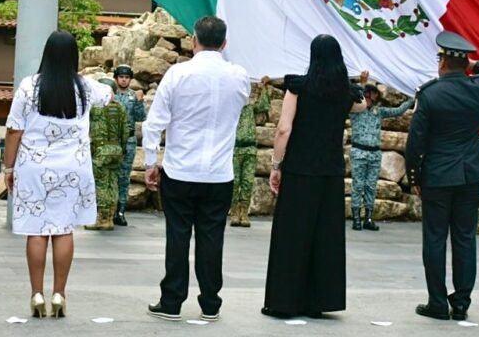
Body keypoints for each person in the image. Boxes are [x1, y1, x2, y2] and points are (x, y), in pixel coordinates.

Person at [142, 16, 250, 322]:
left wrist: (151, 162)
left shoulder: (178, 74)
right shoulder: (238, 76)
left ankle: (172, 301)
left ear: (193, 40)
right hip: (219, 173)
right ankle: (211, 302)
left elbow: (155, 123)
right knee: (212, 237)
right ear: (225, 44)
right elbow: (241, 102)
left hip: (180, 170)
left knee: (177, 236)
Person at [3, 31, 113, 318]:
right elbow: (109, 95)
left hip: (33, 167)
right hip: (72, 168)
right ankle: (59, 294)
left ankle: (37, 294)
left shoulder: (29, 86)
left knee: (37, 230)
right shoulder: (84, 87)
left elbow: (14, 129)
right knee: (63, 229)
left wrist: (9, 167)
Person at [405, 31, 479, 322]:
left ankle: (437, 303)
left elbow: (416, 141)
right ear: (464, 64)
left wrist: (414, 176)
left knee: (435, 239)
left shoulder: (430, 94)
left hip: (437, 176)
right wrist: (478, 67)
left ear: (441, 63)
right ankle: (461, 303)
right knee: (465, 239)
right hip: (470, 174)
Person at [262, 35, 366, 319]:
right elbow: (363, 105)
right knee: (325, 237)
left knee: (292, 236)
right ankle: (318, 302)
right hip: (330, 172)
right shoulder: (345, 93)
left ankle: (284, 302)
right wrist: (356, 83)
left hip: (299, 170)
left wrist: (276, 165)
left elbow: (284, 129)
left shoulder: (297, 87)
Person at [349, 72, 413, 231]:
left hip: (374, 153)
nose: (374, 98)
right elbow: (353, 97)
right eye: (371, 95)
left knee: (371, 186)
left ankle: (368, 218)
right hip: (359, 151)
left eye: (375, 96)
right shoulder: (355, 110)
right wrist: (362, 85)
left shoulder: (379, 112)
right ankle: (356, 217)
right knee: (358, 186)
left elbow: (398, 111)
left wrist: (413, 98)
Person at [84, 78, 128, 231]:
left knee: (101, 184)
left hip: (101, 151)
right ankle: (110, 216)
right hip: (116, 150)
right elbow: (125, 132)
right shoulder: (121, 108)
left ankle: (102, 218)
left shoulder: (95, 108)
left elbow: (87, 129)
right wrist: (120, 148)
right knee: (113, 184)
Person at [230, 77, 271, 228]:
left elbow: (264, 106)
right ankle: (234, 211)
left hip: (250, 148)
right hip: (235, 148)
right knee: (235, 182)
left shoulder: (250, 106)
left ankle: (244, 212)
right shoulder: (231, 106)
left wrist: (264, 89)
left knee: (247, 182)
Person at [112, 64, 145, 227]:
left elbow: (141, 117)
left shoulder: (133, 96)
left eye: (127, 77)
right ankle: (107, 209)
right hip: (112, 139)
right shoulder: (111, 95)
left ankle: (120, 210)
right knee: (110, 175)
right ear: (116, 78)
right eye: (121, 77)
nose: (124, 80)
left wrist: (139, 102)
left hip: (128, 141)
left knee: (124, 177)